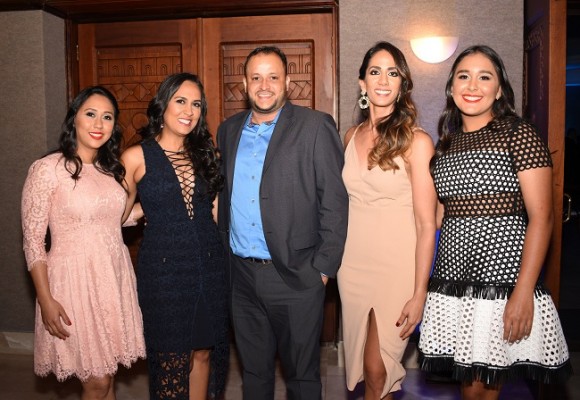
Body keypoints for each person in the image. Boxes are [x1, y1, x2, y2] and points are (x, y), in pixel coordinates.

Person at [418, 45, 572, 399]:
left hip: (501, 283)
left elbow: (542, 218)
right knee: (468, 387)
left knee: (481, 391)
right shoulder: (447, 144)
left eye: (484, 77)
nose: (473, 85)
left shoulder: (519, 134)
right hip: (454, 283)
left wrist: (522, 292)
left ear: (499, 89)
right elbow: (439, 216)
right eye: (463, 76)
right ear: (451, 87)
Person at [216, 45, 349, 400]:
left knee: (302, 379)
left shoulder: (315, 126)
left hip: (296, 275)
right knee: (254, 374)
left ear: (287, 82)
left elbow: (335, 202)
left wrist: (322, 268)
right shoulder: (227, 131)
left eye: (273, 77)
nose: (264, 85)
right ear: (244, 84)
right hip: (241, 277)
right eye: (256, 77)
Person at [21, 86, 146, 399]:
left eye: (107, 117)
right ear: (73, 118)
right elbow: (33, 241)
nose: (98, 123)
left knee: (110, 376)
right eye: (90, 114)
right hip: (73, 284)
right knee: (96, 381)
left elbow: (115, 220)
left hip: (113, 278)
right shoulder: (47, 169)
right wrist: (45, 298)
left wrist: (161, 205)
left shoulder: (110, 170)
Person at [337, 41, 437, 399]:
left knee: (379, 368)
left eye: (392, 72)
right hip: (352, 266)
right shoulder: (349, 137)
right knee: (364, 368)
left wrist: (419, 292)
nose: (383, 79)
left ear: (402, 83)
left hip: (397, 267)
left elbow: (427, 225)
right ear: (362, 83)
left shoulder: (417, 141)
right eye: (374, 71)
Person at [121, 73, 228, 400]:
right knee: (171, 357)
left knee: (203, 352)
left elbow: (215, 216)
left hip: (209, 267)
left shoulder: (209, 155)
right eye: (180, 101)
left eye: (196, 104)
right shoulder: (136, 157)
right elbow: (117, 216)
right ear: (163, 105)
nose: (189, 110)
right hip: (163, 272)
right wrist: (144, 211)